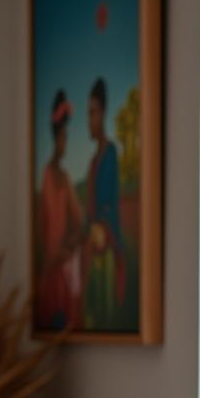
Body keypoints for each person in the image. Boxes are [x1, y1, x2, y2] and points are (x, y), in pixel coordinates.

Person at [36, 89, 83, 330]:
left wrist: (67, 246)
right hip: (50, 264)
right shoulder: (48, 175)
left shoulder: (63, 177)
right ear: (56, 138)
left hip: (60, 264)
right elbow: (42, 222)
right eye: (64, 136)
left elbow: (79, 221)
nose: (66, 143)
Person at [83, 77, 124, 329]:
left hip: (105, 246)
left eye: (93, 113)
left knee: (104, 308)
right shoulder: (92, 161)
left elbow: (110, 204)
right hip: (92, 245)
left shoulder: (110, 155)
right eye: (88, 114)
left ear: (103, 113)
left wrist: (102, 230)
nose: (89, 120)